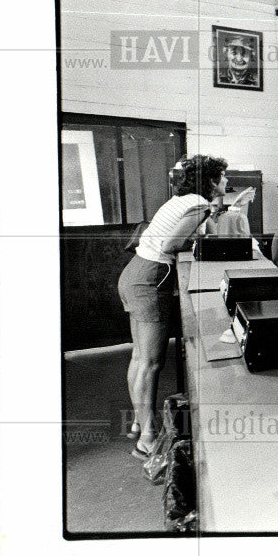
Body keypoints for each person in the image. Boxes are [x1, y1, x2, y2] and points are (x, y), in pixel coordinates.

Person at [117, 154, 229, 460]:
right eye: (223, 177)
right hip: (150, 278)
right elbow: (170, 244)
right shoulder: (200, 204)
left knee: (140, 357)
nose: (227, 182)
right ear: (211, 181)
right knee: (151, 363)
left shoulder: (185, 199)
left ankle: (140, 423)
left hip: (135, 272)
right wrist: (196, 242)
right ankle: (147, 440)